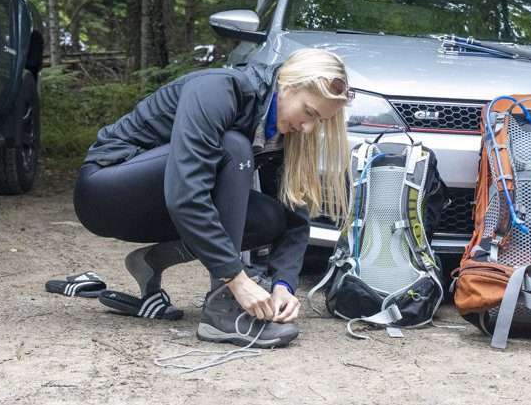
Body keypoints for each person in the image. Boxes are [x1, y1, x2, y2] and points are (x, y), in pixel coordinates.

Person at [73, 48, 352, 348]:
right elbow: (186, 194)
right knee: (233, 146)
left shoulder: (278, 130)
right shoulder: (220, 89)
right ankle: (221, 309)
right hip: (105, 193)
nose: (309, 127)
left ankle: (153, 260)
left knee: (272, 218)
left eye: (319, 121)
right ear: (288, 85)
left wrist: (284, 285)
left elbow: (294, 219)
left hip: (162, 204)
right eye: (309, 112)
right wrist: (237, 279)